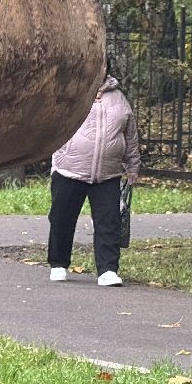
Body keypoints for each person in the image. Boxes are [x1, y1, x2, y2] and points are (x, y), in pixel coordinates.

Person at [47, 74, 140, 286]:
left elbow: (130, 134)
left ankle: (108, 270)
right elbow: (51, 124)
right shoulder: (71, 92)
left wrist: (133, 165)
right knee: (62, 218)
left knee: (109, 222)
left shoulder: (118, 97)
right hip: (69, 169)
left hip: (108, 173)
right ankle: (58, 263)